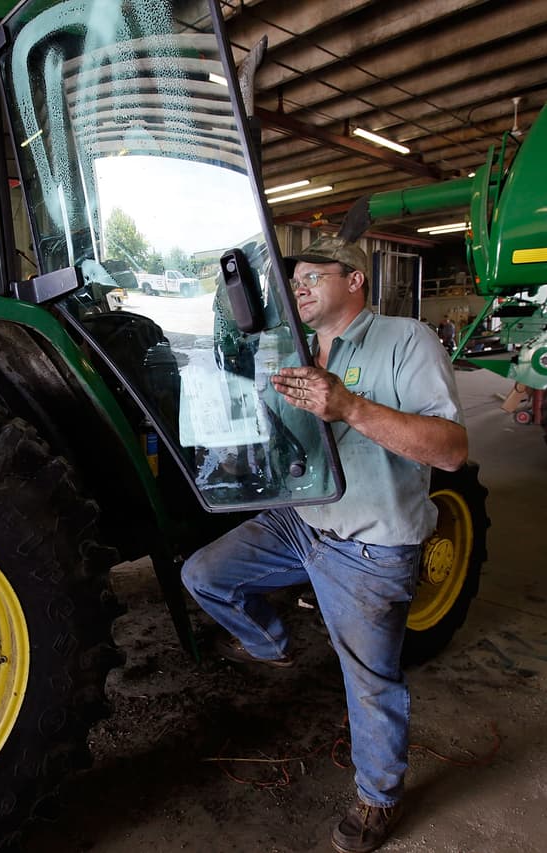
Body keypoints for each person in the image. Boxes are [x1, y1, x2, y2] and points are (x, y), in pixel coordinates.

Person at [181, 236, 468, 853]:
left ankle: (378, 798)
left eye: (313, 276)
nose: (300, 287)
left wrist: (351, 406)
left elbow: (449, 450)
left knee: (370, 682)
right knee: (205, 574)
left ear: (355, 280)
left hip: (368, 546)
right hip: (301, 521)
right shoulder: (295, 349)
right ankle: (273, 643)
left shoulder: (406, 339)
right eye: (295, 281)